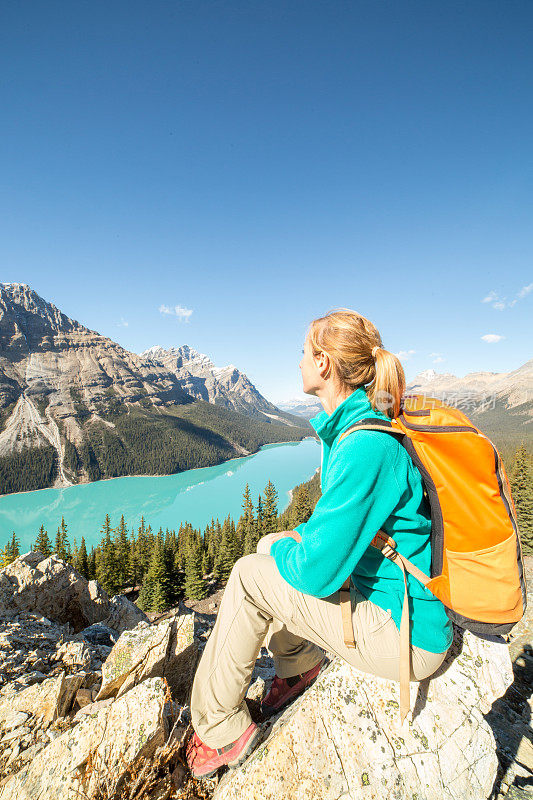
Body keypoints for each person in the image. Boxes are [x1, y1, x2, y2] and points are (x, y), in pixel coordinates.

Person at [186, 308, 453, 779]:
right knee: (275, 543)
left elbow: (315, 574)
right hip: (389, 599)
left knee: (250, 576)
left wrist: (284, 552)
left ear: (324, 363)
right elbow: (337, 533)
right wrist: (290, 542)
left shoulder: (366, 447)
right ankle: (297, 666)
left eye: (303, 353)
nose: (299, 363)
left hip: (407, 634)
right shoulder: (355, 431)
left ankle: (219, 729)